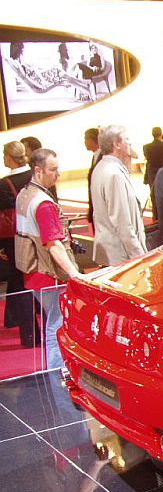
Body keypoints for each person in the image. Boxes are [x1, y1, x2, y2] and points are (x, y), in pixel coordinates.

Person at [15, 148, 80, 369]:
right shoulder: (43, 203)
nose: (58, 174)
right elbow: (54, 245)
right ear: (38, 170)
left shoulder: (24, 194)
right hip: (49, 275)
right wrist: (74, 274)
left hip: (32, 271)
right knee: (56, 327)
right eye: (53, 170)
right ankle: (57, 376)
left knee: (51, 325)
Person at [0, 141, 39, 347]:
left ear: (9, 157)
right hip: (39, 235)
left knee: (18, 283)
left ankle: (30, 333)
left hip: (16, 239)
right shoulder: (35, 176)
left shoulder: (4, 184)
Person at [90, 125, 146, 266]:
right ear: (116, 144)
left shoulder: (102, 167)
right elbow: (122, 222)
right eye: (127, 139)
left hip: (112, 253)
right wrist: (140, 257)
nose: (130, 143)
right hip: (121, 256)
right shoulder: (114, 174)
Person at [143, 126, 163, 220]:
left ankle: (155, 216)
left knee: (154, 196)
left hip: (152, 174)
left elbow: (148, 162)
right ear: (161, 134)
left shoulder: (146, 147)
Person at [84, 127, 101, 227]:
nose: (84, 142)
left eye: (85, 139)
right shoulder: (95, 156)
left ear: (91, 139)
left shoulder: (103, 157)